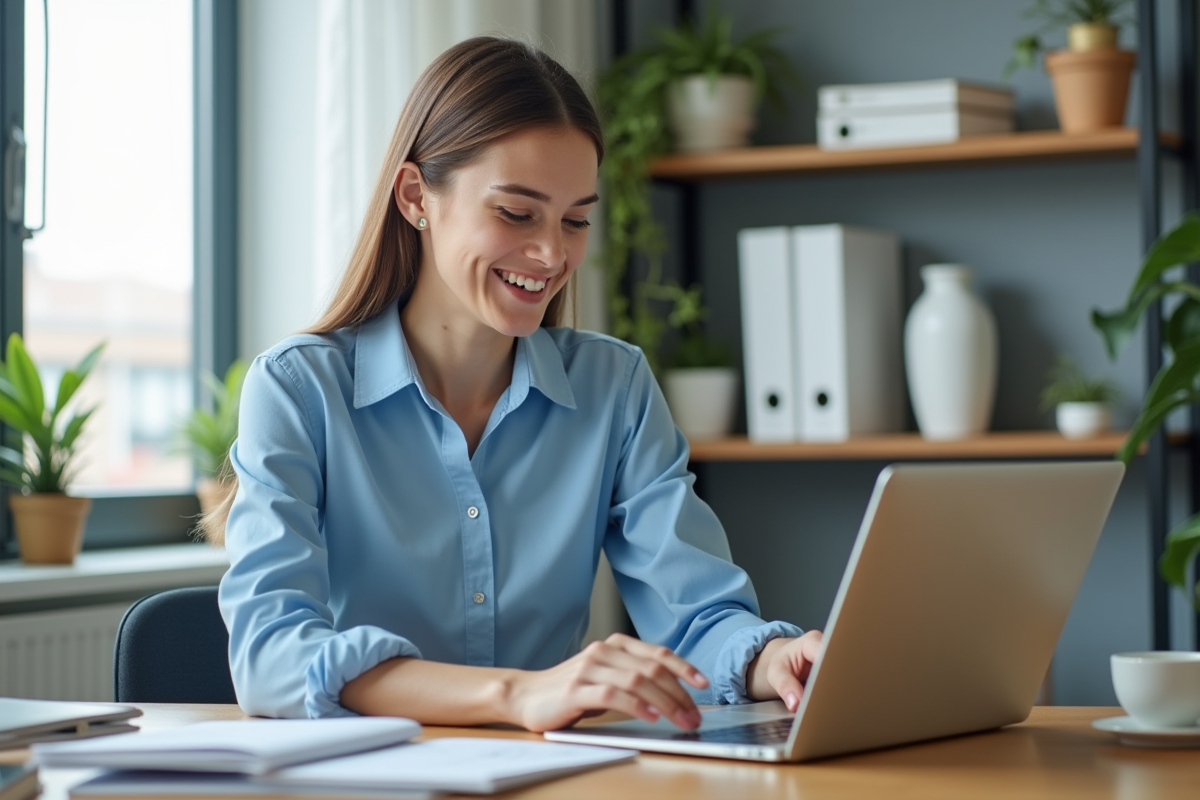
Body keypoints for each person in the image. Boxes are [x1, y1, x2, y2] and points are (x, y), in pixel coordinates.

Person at [214, 36, 823, 732]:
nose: (553, 254)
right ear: (417, 197)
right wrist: (516, 695)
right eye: (516, 212)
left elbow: (696, 613)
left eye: (575, 220)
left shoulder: (613, 387)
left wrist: (769, 657)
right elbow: (271, 656)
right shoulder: (298, 390)